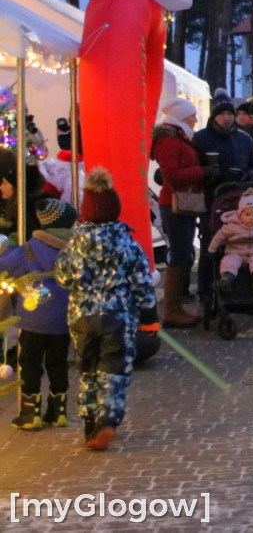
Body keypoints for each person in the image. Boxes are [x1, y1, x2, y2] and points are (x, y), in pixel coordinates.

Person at [55, 168, 159, 450]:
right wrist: (149, 316)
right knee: (112, 369)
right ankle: (108, 419)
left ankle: (90, 424)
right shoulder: (127, 243)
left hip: (82, 317)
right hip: (117, 316)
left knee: (87, 367)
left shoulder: (74, 244)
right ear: (115, 209)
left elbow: (62, 277)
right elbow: (142, 282)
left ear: (86, 211)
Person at [4, 199, 78, 430]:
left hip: (33, 319)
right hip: (64, 320)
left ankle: (30, 412)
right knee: (58, 364)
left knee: (30, 364)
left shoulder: (28, 250)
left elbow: (4, 266)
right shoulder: (77, 248)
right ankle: (58, 412)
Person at [192, 100, 253, 306]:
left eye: (230, 113)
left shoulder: (244, 138)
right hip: (211, 199)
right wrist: (207, 173)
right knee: (210, 243)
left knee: (242, 243)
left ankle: (242, 288)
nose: (227, 117)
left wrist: (247, 175)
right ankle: (205, 289)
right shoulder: (201, 138)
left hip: (239, 200)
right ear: (214, 117)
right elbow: (193, 167)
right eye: (222, 114)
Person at [150, 98, 210, 328]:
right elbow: (172, 175)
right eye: (192, 116)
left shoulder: (178, 137)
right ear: (182, 117)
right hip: (174, 203)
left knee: (183, 253)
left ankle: (176, 305)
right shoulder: (169, 140)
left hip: (184, 200)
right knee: (180, 254)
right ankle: (171, 309)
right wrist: (202, 171)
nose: (196, 119)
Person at [208, 188, 253, 291]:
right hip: (235, 252)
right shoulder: (232, 226)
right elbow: (219, 237)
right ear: (240, 214)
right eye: (247, 215)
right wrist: (212, 250)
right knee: (229, 262)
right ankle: (227, 278)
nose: (251, 218)